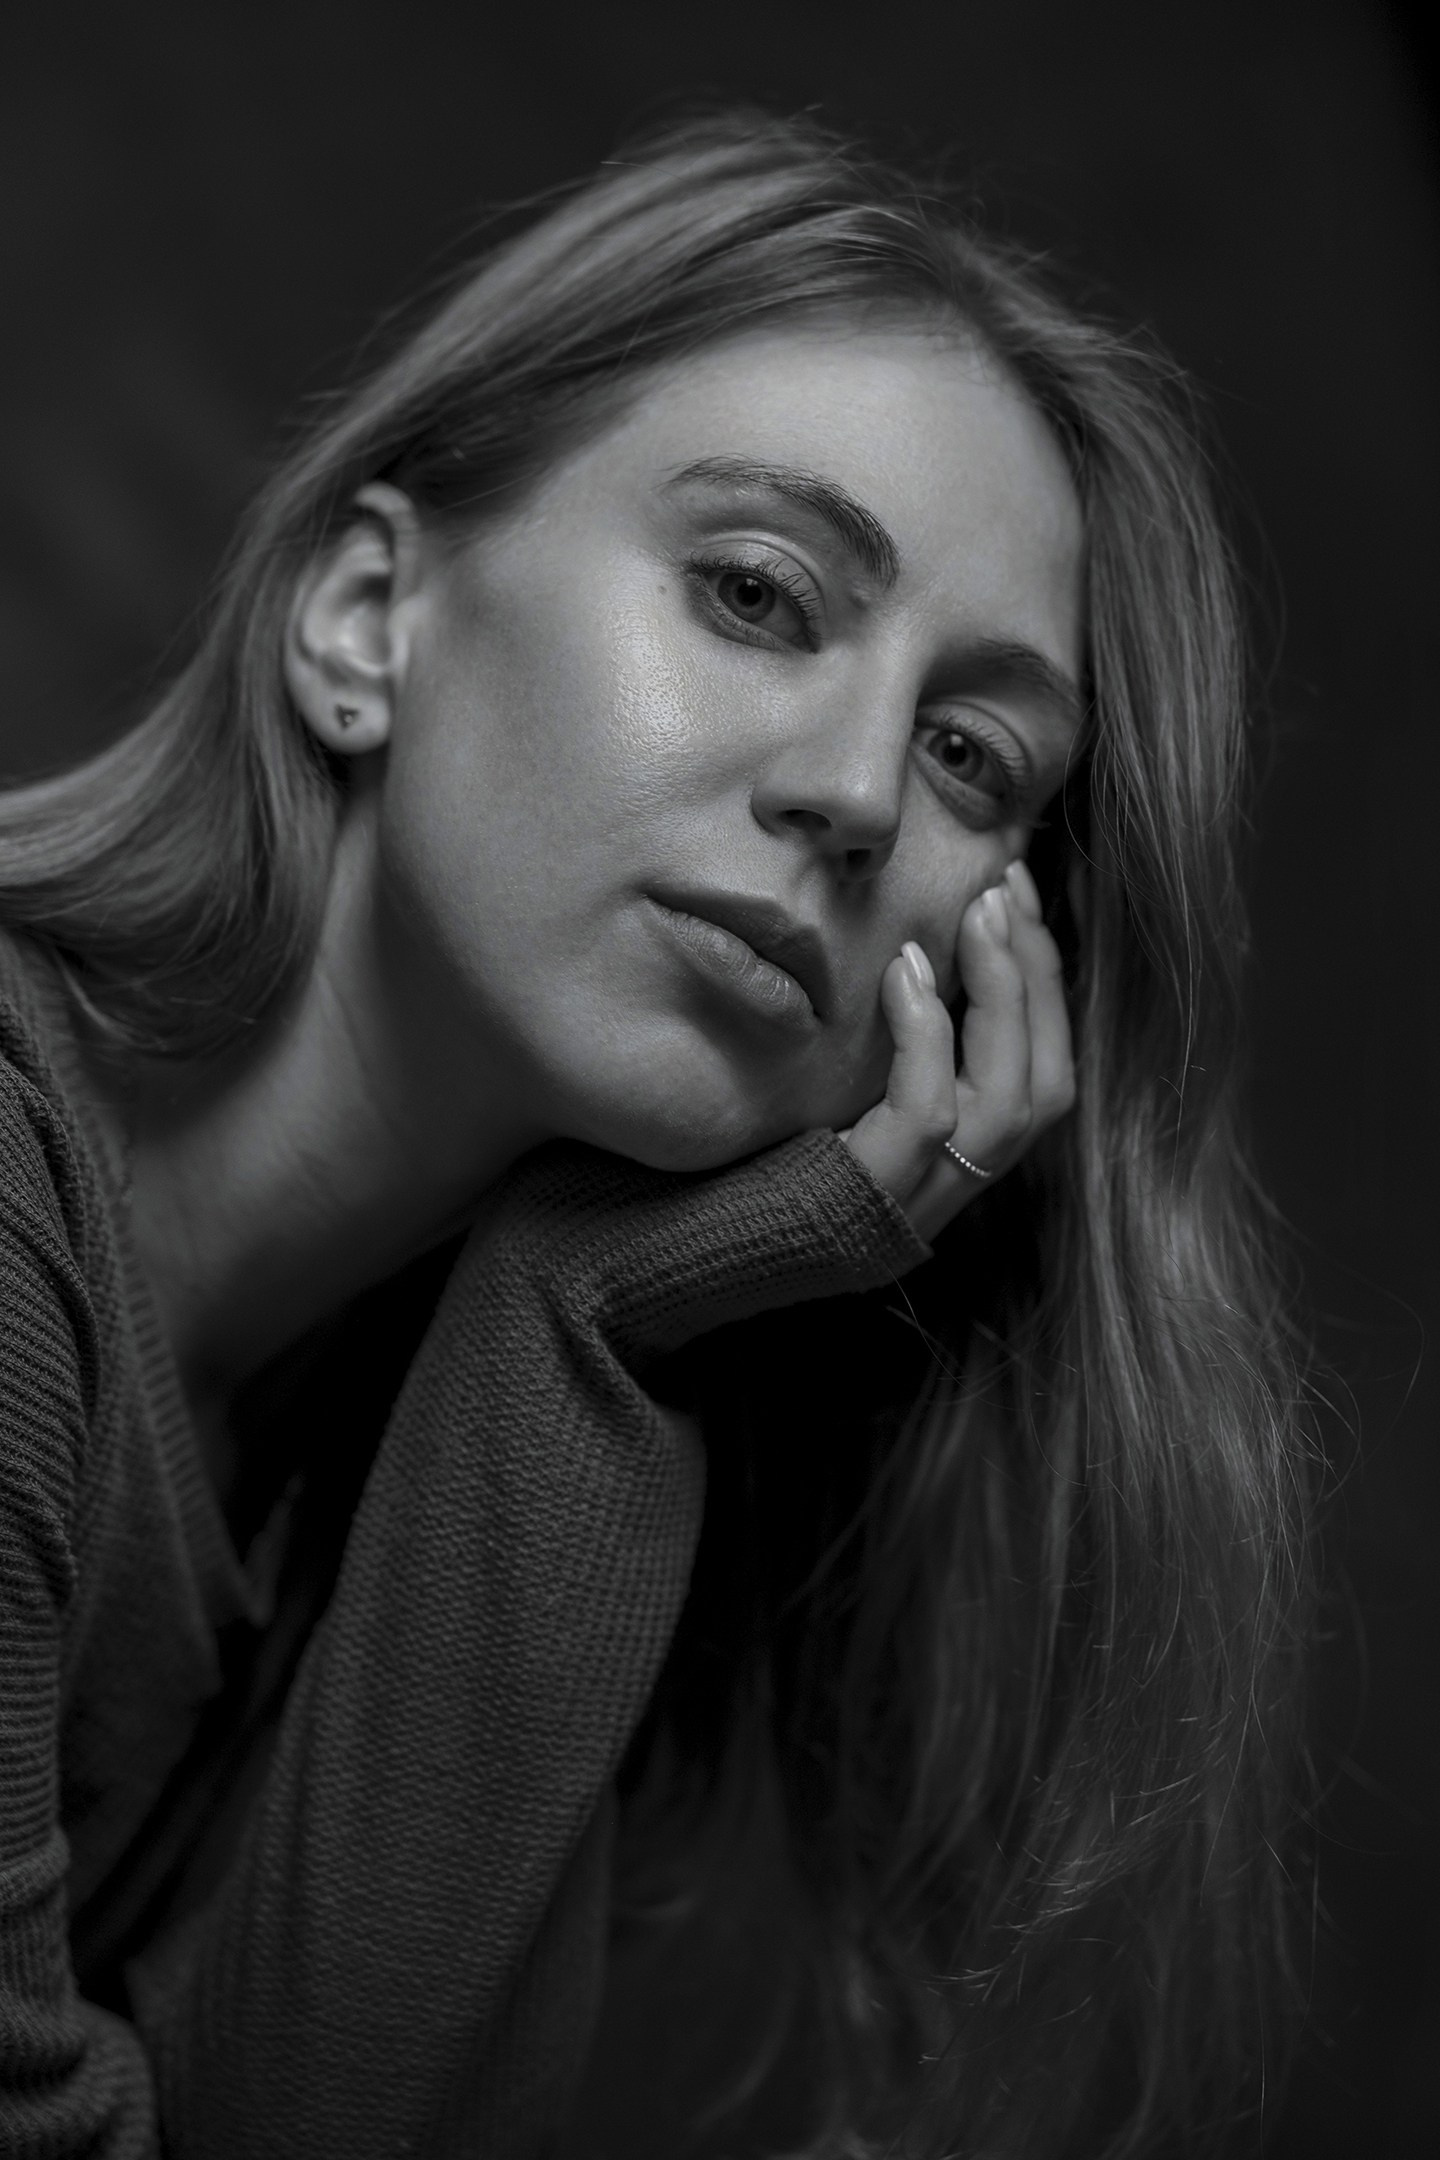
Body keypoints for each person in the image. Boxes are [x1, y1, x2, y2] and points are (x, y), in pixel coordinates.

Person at [0, 110, 1311, 2158]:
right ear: (365, 619)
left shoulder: (375, 1462)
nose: (858, 792)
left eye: (974, 755)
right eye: (760, 594)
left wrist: (576, 1331)